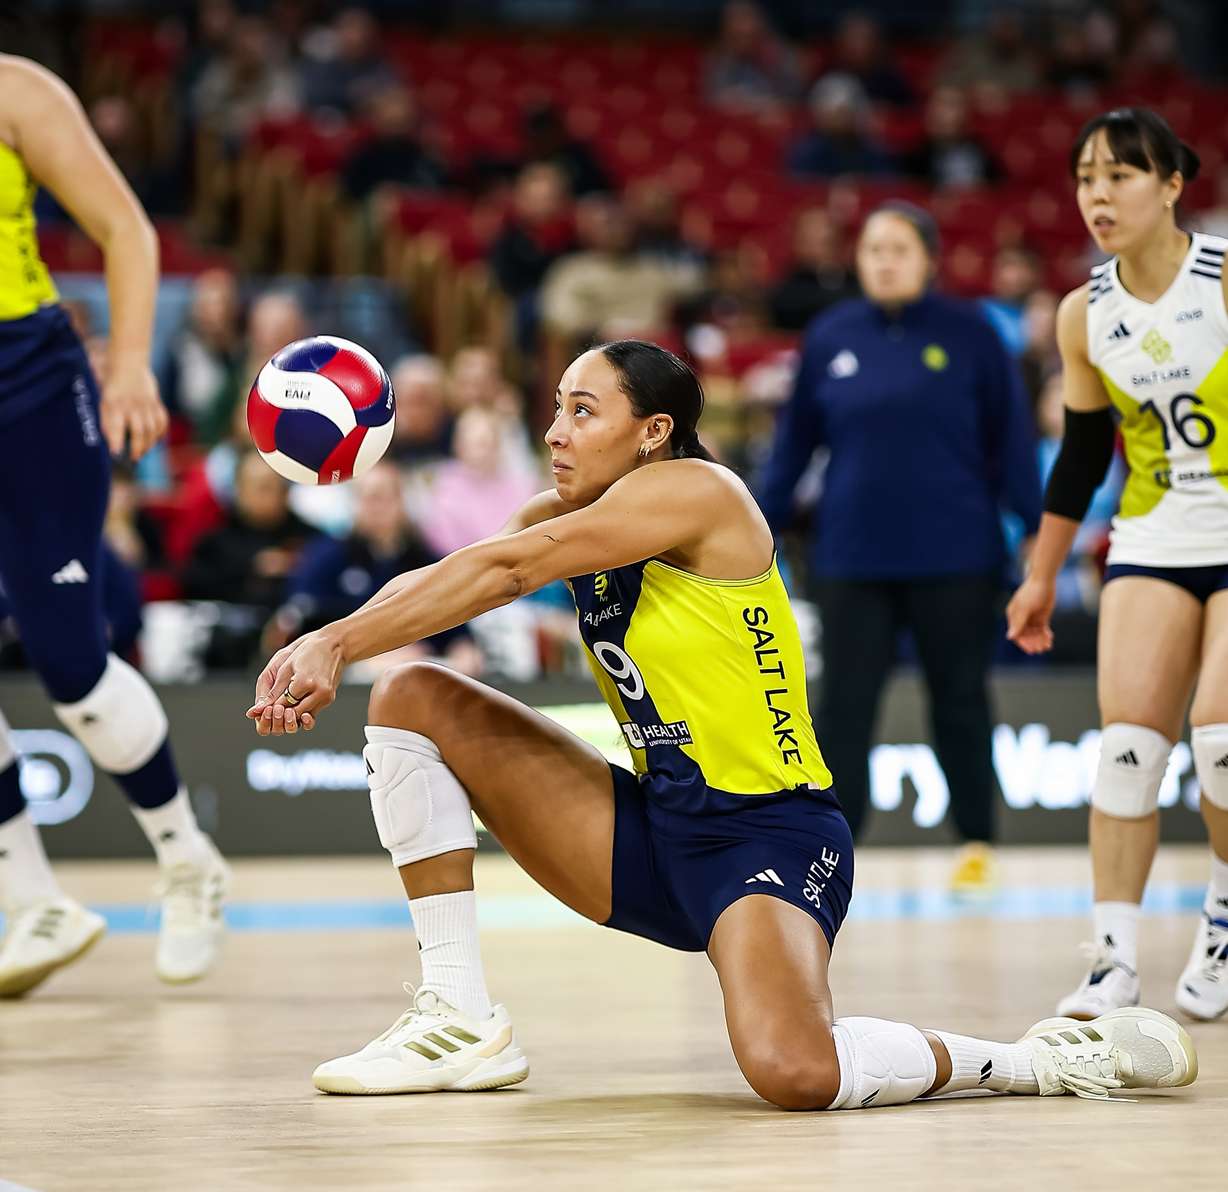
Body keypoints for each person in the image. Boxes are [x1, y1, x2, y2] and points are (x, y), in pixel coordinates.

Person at [246, 339, 1195, 1107]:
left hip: (770, 832)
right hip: (653, 827)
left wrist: (338, 640)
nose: (555, 432)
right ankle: (457, 1018)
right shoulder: (565, 514)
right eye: (556, 408)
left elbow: (506, 572)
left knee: (793, 1071)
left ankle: (1038, 1060)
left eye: (584, 410)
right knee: (411, 695)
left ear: (654, 432)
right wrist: (337, 638)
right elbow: (454, 573)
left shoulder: (702, 494)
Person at [0, 56, 228, 995]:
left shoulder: (15, 90)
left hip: (31, 388)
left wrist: (131, 366)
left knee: (71, 668)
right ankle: (33, 898)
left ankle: (187, 863)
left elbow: (126, 229)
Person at [1006, 108, 1228, 1022]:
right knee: (1129, 754)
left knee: (1220, 746)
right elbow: (1085, 457)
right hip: (1152, 536)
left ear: (1173, 185)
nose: (1099, 195)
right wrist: (1037, 575)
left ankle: (1222, 915)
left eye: (1121, 176)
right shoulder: (1082, 314)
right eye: (1087, 178)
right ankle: (1113, 964)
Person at [756, 203, 1042, 893]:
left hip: (958, 556)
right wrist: (753, 523)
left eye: (900, 248)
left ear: (929, 259)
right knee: (844, 707)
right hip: (852, 556)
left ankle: (977, 840)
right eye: (873, 249)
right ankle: (830, 852)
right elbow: (795, 444)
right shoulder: (830, 335)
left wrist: (1035, 532)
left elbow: (1014, 441)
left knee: (961, 700)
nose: (884, 259)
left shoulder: (971, 334)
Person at [278, 463, 482, 678]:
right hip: (348, 671)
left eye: (384, 497)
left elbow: (457, 628)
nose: (377, 507)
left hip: (422, 672)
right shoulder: (326, 557)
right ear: (355, 503)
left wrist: (464, 654)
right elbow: (305, 619)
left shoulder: (426, 561)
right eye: (369, 498)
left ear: (401, 501)